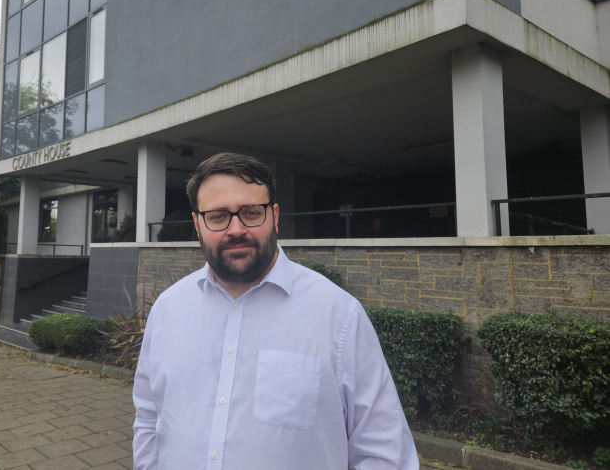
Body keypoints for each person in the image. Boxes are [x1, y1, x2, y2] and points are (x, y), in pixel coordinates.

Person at [132, 153, 418, 470]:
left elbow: (384, 453)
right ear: (197, 223)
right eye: (217, 216)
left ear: (275, 216)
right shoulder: (167, 310)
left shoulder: (339, 316)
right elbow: (149, 418)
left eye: (251, 213)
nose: (236, 229)